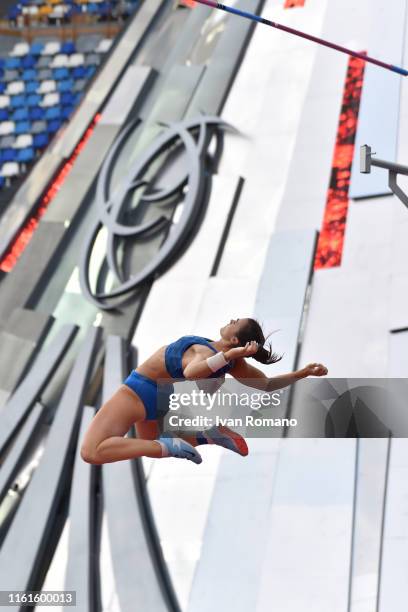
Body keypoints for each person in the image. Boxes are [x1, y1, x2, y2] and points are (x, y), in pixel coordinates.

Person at [80, 318, 328, 466]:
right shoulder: (230, 361)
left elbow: (191, 373)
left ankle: (179, 445)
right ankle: (207, 436)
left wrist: (229, 355)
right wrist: (301, 374)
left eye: (235, 323)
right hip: (161, 402)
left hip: (138, 391)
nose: (231, 320)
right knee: (148, 444)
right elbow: (265, 385)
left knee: (91, 451)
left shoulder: (208, 352)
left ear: (233, 341)